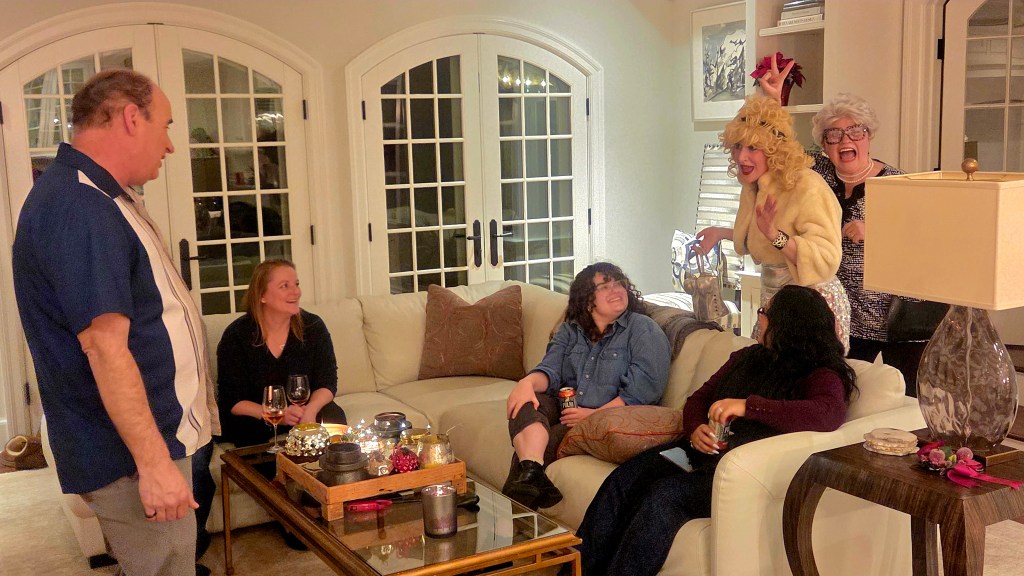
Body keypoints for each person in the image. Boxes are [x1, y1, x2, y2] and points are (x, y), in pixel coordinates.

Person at [12, 69, 217, 576]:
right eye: (165, 126)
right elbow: (105, 348)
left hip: (149, 441)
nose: (170, 145)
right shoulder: (80, 206)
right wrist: (154, 464)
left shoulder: (103, 196)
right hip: (130, 454)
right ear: (131, 118)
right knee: (164, 567)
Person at [577, 285, 856, 576]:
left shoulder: (821, 373)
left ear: (786, 324)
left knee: (663, 496)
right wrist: (695, 429)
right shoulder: (747, 357)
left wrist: (749, 406)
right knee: (625, 478)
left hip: (738, 475)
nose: (758, 317)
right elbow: (698, 399)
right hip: (698, 454)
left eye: (764, 312)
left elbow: (827, 413)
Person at [758, 63, 926, 392]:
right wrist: (774, 101)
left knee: (904, 397)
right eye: (833, 135)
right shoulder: (818, 172)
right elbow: (778, 149)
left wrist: (875, 233)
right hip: (836, 312)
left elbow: (924, 241)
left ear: (869, 136)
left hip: (892, 319)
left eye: (855, 131)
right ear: (824, 144)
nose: (845, 139)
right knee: (842, 393)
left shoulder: (897, 182)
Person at [503, 262, 671, 510]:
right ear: (587, 299)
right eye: (605, 286)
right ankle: (532, 473)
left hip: (605, 416)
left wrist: (592, 416)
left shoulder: (642, 329)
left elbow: (642, 391)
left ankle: (517, 505)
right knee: (524, 403)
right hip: (565, 407)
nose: (616, 290)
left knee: (543, 445)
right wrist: (526, 384)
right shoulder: (571, 330)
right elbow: (550, 370)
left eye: (619, 284)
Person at [696, 95, 850, 350]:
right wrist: (721, 233)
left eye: (753, 148)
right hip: (774, 302)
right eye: (737, 146)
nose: (742, 157)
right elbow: (759, 236)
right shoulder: (754, 184)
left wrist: (775, 235)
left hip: (812, 307)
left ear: (774, 149)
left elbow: (825, 258)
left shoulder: (807, 185)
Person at [217, 259, 346, 448]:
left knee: (334, 417)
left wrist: (310, 411)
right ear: (262, 295)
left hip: (304, 410)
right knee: (248, 431)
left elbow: (327, 382)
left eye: (296, 284)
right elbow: (233, 401)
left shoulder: (313, 327)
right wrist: (277, 414)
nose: (296, 292)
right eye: (285, 286)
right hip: (258, 415)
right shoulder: (237, 335)